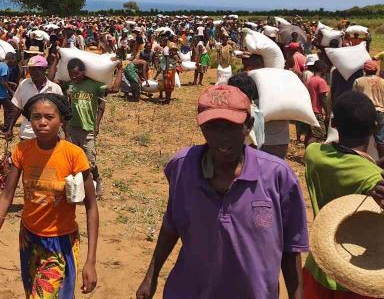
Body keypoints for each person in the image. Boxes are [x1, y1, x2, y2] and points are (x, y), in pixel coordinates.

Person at [135, 85, 308, 299]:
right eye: (212, 127)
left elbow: (291, 249)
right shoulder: (184, 166)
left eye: (231, 127)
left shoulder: (278, 176)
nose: (221, 137)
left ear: (249, 126)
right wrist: (151, 277)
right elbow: (171, 225)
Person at [0, 92, 99, 297]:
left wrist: (91, 261)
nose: (42, 122)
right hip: (29, 238)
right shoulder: (22, 151)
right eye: (36, 117)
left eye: (49, 117)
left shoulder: (74, 155)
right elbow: (6, 197)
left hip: (60, 242)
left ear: (61, 120)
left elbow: (91, 207)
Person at [302, 91, 384, 298]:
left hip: (320, 267)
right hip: (357, 276)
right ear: (376, 126)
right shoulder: (374, 178)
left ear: (335, 124)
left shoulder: (314, 155)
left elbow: (346, 161)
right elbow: (360, 168)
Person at [52, 57, 107, 194]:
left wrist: (119, 69)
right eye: (71, 74)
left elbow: (115, 89)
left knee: (90, 161)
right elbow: (52, 79)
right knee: (71, 159)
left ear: (84, 72)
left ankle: (97, 178)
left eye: (77, 74)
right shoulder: (69, 84)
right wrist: (56, 60)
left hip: (88, 128)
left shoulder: (94, 85)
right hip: (71, 127)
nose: (74, 77)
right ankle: (77, 187)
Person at [6, 54, 63, 140]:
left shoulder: (55, 89)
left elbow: (61, 112)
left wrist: (63, 131)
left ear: (44, 70)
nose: (31, 73)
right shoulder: (24, 85)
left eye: (34, 70)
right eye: (30, 70)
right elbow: (17, 108)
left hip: (49, 135)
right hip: (27, 134)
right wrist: (10, 128)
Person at [352, 60, 384, 160]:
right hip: (380, 111)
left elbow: (354, 98)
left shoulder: (358, 81)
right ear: (376, 70)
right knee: (380, 139)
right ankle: (382, 162)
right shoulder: (382, 81)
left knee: (363, 138)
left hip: (364, 111)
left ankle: (362, 160)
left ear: (365, 70)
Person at [300, 59, 329, 147]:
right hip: (316, 111)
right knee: (318, 134)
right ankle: (309, 153)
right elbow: (323, 98)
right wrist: (327, 111)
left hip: (308, 110)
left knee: (310, 133)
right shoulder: (321, 81)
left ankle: (306, 155)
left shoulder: (310, 80)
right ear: (323, 69)